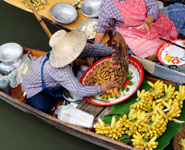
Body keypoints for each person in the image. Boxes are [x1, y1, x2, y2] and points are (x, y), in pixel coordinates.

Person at [21, 29, 122, 113]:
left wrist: (114, 50)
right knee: (45, 107)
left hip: (53, 77)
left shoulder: (72, 47)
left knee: (75, 69)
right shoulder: (60, 69)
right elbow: (79, 90)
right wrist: (104, 87)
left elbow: (92, 49)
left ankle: (61, 87)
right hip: (34, 89)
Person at [94, 0, 178, 59]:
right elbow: (101, 26)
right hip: (130, 32)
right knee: (155, 53)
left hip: (149, 21)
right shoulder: (107, 4)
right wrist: (95, 49)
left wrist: (148, 21)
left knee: (171, 34)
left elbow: (153, 5)